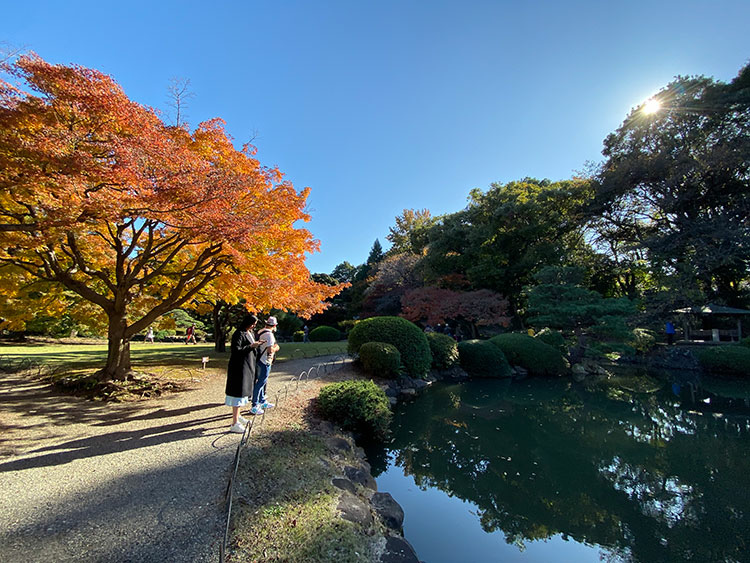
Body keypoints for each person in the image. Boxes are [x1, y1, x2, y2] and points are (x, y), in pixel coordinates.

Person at [225, 315, 263, 433]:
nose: (253, 326)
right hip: (239, 368)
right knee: (238, 393)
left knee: (243, 393)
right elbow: (236, 350)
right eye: (253, 323)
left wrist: (256, 345)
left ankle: (238, 416)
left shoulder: (249, 333)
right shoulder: (239, 333)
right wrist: (251, 346)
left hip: (248, 366)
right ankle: (234, 423)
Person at [250, 316, 280, 415]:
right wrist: (276, 348)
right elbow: (270, 350)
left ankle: (262, 400)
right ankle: (255, 404)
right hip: (265, 360)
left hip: (258, 359)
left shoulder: (260, 331)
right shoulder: (269, 335)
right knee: (261, 382)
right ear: (274, 325)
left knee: (261, 381)